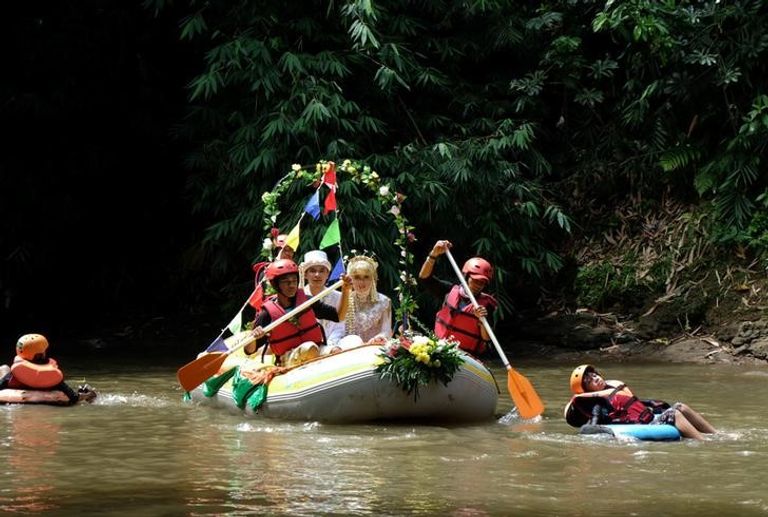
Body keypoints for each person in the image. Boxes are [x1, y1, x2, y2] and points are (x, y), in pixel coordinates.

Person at [563, 364, 716, 440]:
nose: (595, 378)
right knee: (674, 413)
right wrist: (591, 431)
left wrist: (654, 405)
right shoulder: (596, 403)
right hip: (643, 426)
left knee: (680, 406)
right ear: (586, 389)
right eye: (589, 380)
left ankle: (716, 435)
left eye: (594, 375)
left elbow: (632, 404)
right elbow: (593, 423)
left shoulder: (613, 388)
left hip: (648, 418)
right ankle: (703, 443)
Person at [244, 259, 352, 365]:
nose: (291, 285)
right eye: (286, 282)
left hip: (316, 348)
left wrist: (346, 290)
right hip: (288, 356)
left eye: (294, 281)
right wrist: (253, 337)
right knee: (309, 347)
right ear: (275, 284)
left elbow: (339, 316)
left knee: (335, 350)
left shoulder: (307, 301)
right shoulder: (267, 314)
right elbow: (249, 350)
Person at [418, 239, 497, 355]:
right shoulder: (449, 291)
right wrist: (433, 255)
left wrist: (482, 320)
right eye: (475, 280)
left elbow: (486, 338)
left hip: (466, 356)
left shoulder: (486, 305)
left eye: (482, 283)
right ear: (466, 277)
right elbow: (424, 278)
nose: (478, 285)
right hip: (440, 349)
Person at [0, 334, 96, 404]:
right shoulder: (51, 376)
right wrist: (84, 395)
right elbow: (73, 397)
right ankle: (89, 394)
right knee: (86, 393)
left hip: (17, 389)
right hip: (48, 391)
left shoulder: (14, 374)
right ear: (41, 354)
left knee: (4, 367)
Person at [336, 255, 393, 350]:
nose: (362, 282)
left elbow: (386, 330)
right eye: (357, 277)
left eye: (366, 277)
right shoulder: (343, 299)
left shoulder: (384, 301)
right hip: (348, 350)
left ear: (373, 279)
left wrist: (379, 338)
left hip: (375, 349)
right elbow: (337, 330)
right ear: (351, 279)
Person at [299, 250, 345, 350]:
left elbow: (340, 327)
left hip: (335, 344)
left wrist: (331, 346)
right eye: (312, 271)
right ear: (305, 274)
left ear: (327, 274)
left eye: (321, 271)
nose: (317, 275)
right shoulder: (299, 298)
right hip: (307, 347)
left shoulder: (338, 296)